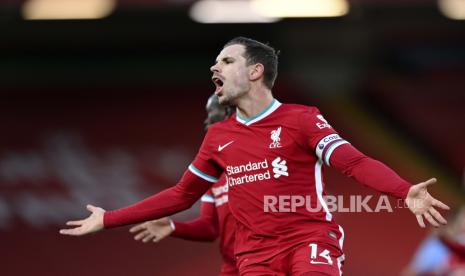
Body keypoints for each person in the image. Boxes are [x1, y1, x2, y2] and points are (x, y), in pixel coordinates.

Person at [60, 37, 449, 275]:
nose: (215, 66)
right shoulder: (218, 138)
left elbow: (354, 162)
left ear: (255, 71)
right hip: (254, 256)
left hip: (308, 239)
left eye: (227, 61)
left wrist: (403, 191)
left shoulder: (301, 119)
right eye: (216, 62)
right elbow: (182, 195)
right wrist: (109, 219)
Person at [129, 94, 238, 276]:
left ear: (228, 112)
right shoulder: (213, 173)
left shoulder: (264, 161)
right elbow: (209, 228)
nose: (205, 121)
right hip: (232, 270)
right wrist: (173, 226)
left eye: (211, 113)